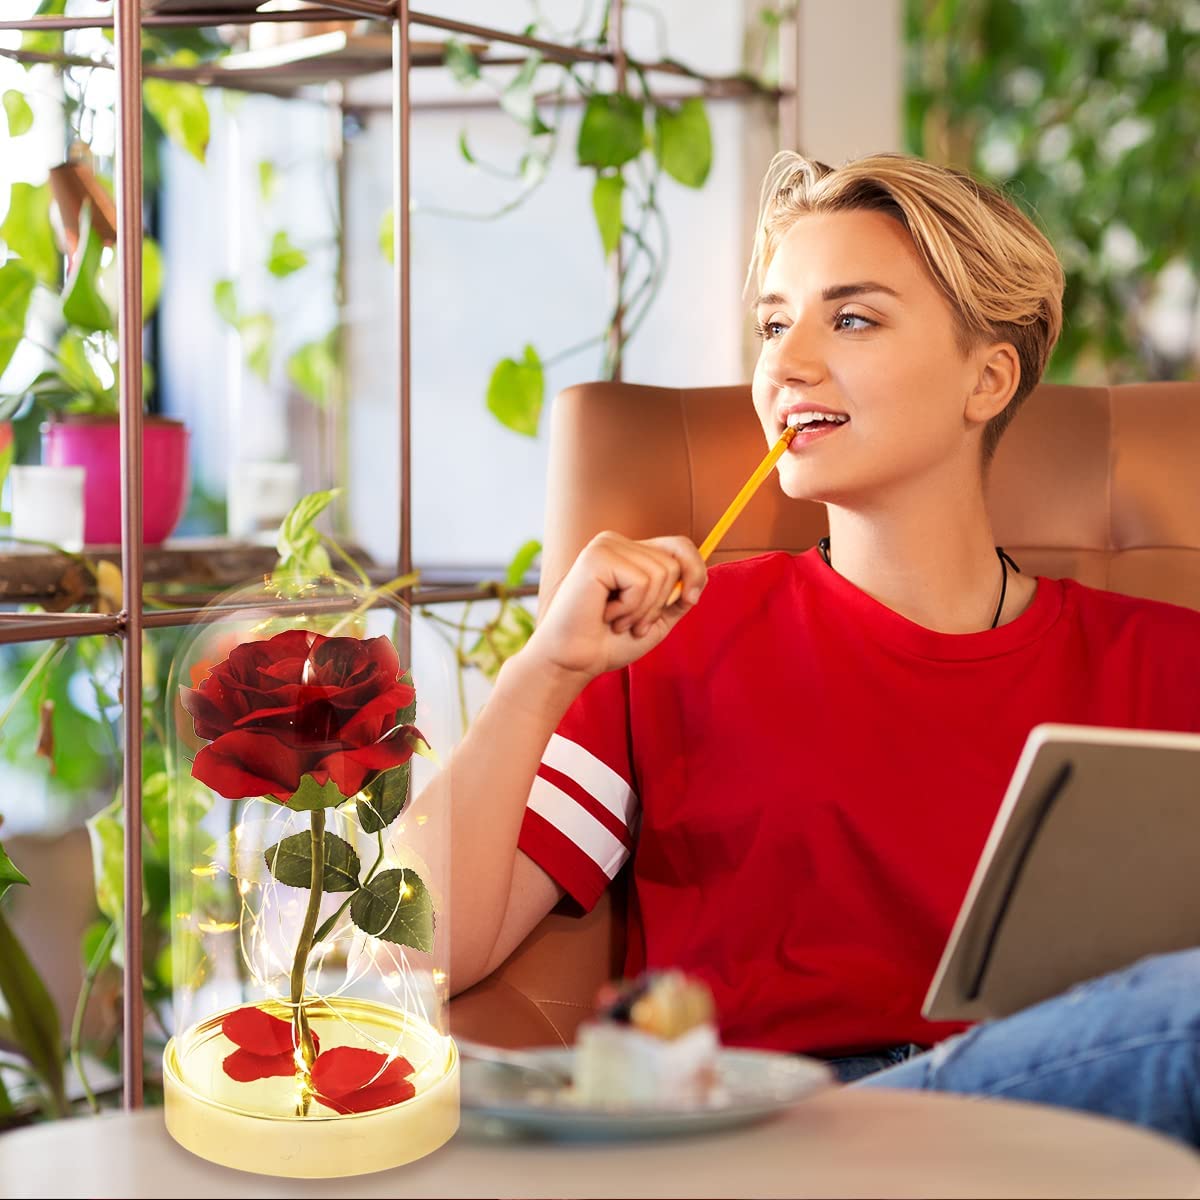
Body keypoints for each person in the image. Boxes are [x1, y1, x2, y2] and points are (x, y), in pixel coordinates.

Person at [439, 152, 1200, 1144]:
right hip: (776, 1132)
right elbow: (422, 951)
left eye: (851, 319)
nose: (785, 363)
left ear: (987, 378)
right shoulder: (663, 641)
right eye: (773, 323)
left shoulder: (1169, 662)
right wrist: (543, 672)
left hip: (1070, 1127)